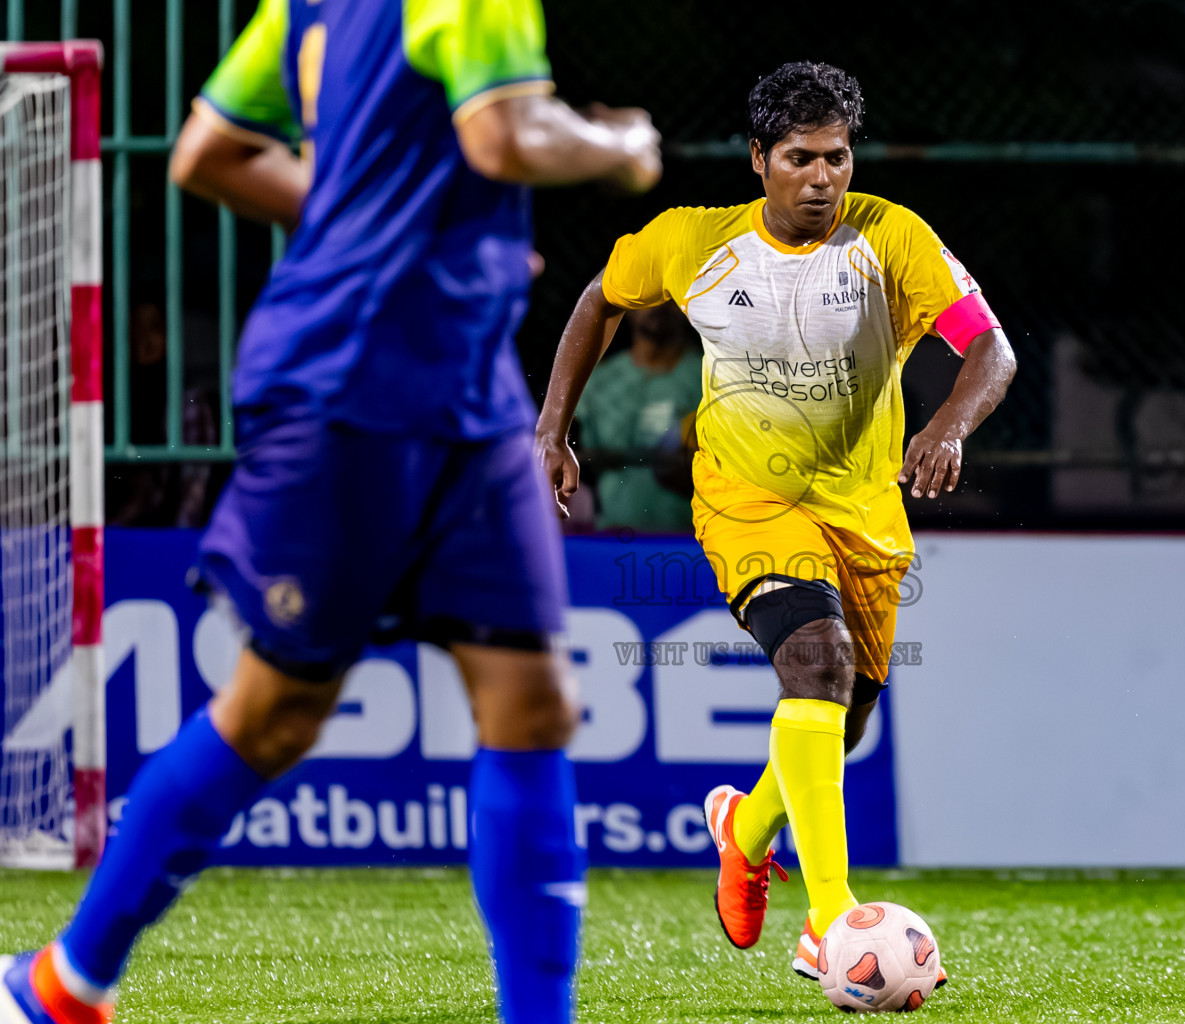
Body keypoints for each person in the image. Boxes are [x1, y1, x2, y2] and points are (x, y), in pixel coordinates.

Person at [0, 0, 660, 1021]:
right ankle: (65, 984)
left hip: (468, 399)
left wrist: (386, 216)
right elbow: (506, 133)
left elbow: (209, 150)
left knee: (533, 703)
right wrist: (620, 146)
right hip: (345, 382)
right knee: (275, 714)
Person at [534, 62, 1015, 981]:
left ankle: (745, 829)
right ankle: (834, 920)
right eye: (801, 158)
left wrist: (949, 425)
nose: (824, 176)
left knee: (845, 720)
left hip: (865, 513)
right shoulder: (695, 245)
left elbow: (989, 347)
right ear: (760, 159)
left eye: (837, 156)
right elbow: (599, 298)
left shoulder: (893, 237)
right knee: (818, 663)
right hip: (746, 501)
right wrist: (550, 429)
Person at [574, 303, 702, 531]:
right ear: (629, 308)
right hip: (611, 534)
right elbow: (577, 458)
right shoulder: (600, 379)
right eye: (649, 299)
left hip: (688, 537)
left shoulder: (708, 379)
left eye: (670, 299)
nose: (660, 307)